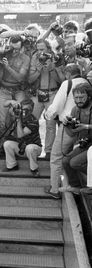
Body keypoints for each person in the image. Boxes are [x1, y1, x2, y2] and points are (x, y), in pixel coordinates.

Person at [44, 64, 87, 199]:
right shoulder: (87, 83)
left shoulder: (67, 84)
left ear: (67, 74)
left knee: (56, 157)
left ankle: (55, 189)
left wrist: (48, 115)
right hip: (84, 127)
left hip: (69, 126)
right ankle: (75, 185)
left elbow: (56, 107)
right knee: (72, 157)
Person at [28, 38, 64, 159]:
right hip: (37, 94)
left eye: (42, 49)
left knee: (50, 124)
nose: (40, 52)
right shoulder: (34, 58)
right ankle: (32, 147)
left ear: (48, 48)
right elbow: (30, 79)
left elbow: (61, 81)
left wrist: (51, 68)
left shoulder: (56, 58)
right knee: (32, 122)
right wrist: (38, 70)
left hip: (52, 93)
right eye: (38, 49)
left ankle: (49, 151)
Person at [60, 82, 92, 194]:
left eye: (82, 97)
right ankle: (76, 186)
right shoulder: (75, 110)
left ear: (89, 96)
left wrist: (86, 126)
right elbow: (72, 134)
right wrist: (66, 124)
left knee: (75, 163)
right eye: (76, 97)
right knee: (65, 161)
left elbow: (85, 127)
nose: (79, 100)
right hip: (86, 143)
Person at [2, 99, 42, 177]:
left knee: (30, 148)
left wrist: (18, 120)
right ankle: (12, 165)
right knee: (7, 144)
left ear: (31, 110)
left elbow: (20, 135)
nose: (24, 112)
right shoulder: (17, 114)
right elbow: (4, 104)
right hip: (22, 147)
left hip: (34, 148)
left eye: (27, 110)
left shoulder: (33, 121)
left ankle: (34, 169)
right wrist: (11, 104)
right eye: (23, 109)